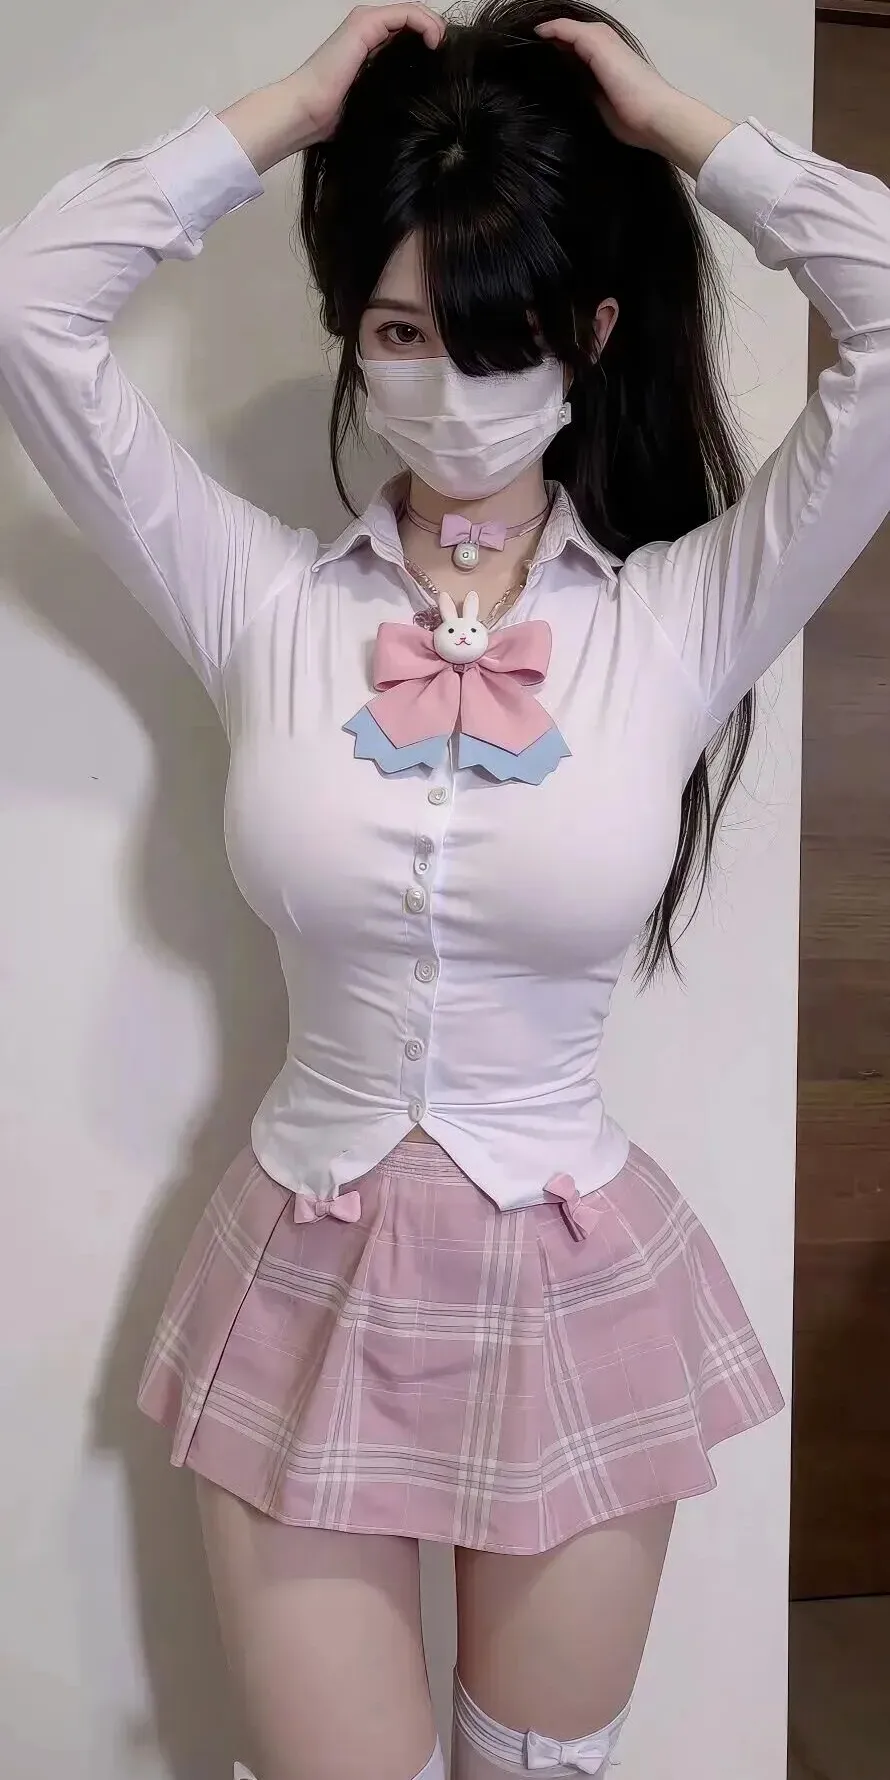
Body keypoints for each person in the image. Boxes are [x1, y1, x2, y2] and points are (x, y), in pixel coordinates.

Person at [1, 3, 888, 1776]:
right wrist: (289, 113)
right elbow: (32, 308)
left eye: (504, 339)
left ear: (590, 337)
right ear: (350, 326)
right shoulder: (259, 602)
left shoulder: (678, 620)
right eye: (404, 332)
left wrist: (677, 130)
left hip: (572, 1277)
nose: (453, 384)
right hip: (303, 1273)